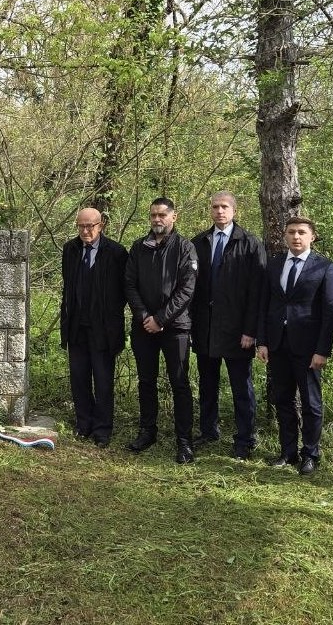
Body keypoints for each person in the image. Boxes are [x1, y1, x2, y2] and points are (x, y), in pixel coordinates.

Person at [257, 216, 333, 476]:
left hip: (308, 348)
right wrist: (262, 341)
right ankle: (288, 452)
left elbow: (331, 311)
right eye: (291, 232)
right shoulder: (274, 264)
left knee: (311, 402)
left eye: (302, 232)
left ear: (312, 237)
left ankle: (310, 454)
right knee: (283, 399)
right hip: (277, 343)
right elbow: (264, 304)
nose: (296, 237)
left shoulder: (324, 267)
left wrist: (322, 350)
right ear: (285, 236)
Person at [190, 191, 266, 459]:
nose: (219, 211)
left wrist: (251, 331)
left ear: (234, 210)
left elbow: (257, 291)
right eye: (215, 207)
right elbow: (191, 287)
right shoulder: (199, 242)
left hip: (237, 330)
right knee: (207, 383)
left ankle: (245, 439)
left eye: (224, 207)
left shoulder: (250, 243)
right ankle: (208, 430)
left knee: (241, 387)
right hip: (205, 327)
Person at [124, 197, 198, 463]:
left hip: (175, 327)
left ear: (173, 217)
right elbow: (129, 284)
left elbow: (187, 290)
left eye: (162, 215)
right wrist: (145, 316)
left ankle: (184, 441)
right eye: (153, 215)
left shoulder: (185, 247)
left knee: (179, 382)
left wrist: (161, 319)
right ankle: (147, 431)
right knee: (146, 381)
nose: (157, 219)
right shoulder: (138, 247)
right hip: (144, 326)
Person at [59, 207, 128, 448]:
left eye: (90, 226)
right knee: (79, 378)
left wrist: (111, 318)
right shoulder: (70, 249)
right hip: (76, 326)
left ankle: (102, 429)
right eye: (81, 226)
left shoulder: (116, 252)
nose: (86, 231)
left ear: (101, 225)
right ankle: (84, 424)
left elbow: (124, 291)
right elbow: (67, 287)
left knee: (103, 380)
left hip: (104, 329)